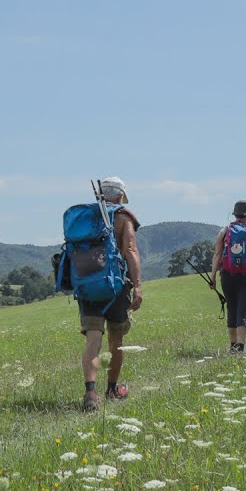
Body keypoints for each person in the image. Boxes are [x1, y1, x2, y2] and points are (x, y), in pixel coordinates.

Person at [78, 177, 142, 413]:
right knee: (116, 340)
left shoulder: (85, 216)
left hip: (87, 284)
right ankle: (112, 389)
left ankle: (90, 392)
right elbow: (131, 250)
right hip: (115, 286)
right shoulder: (123, 216)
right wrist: (138, 286)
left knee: (93, 340)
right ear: (119, 196)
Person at [211, 200, 246, 354]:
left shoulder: (224, 230)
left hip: (227, 275)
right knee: (244, 309)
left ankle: (232, 345)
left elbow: (217, 254)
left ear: (234, 214)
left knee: (232, 307)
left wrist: (213, 278)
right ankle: (240, 346)